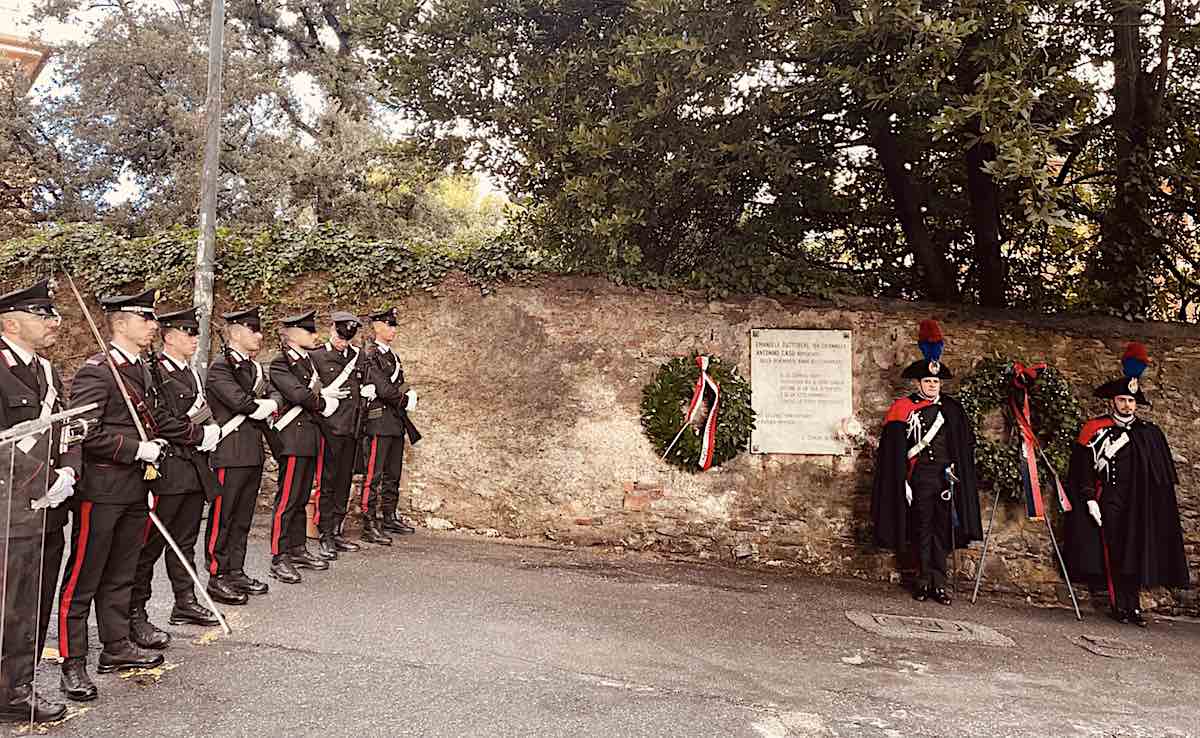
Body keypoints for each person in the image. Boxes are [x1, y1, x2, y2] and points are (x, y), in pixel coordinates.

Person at [60, 288, 219, 701]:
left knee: (122, 571)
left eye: (153, 319)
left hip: (136, 486)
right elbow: (84, 432)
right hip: (103, 487)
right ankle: (72, 662)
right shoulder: (98, 370)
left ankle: (115, 647)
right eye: (145, 319)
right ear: (120, 323)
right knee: (84, 576)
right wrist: (135, 448)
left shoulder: (142, 370)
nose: (153, 326)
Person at [1064, 342, 1190, 627]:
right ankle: (1119, 604)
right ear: (1113, 401)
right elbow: (1082, 469)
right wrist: (1089, 499)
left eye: (1132, 401)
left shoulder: (1149, 433)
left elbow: (1160, 476)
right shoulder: (1095, 429)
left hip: (1138, 502)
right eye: (1122, 400)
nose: (1127, 405)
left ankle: (1134, 607)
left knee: (1136, 553)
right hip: (1110, 499)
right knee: (1114, 553)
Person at [0, 280, 79, 722]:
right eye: (43, 315)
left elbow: (67, 429)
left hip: (48, 509)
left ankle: (16, 686)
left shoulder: (47, 371)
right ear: (11, 322)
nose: (55, 323)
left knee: (34, 603)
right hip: (7, 512)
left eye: (53, 314)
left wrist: (68, 470)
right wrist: (39, 480)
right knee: (6, 604)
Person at [129, 307, 222, 651]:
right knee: (150, 544)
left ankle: (184, 600)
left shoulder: (193, 374)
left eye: (196, 333)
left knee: (185, 539)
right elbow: (159, 420)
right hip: (168, 467)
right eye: (188, 333)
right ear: (169, 337)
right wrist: (199, 435)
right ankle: (136, 611)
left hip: (193, 468)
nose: (195, 339)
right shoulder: (156, 372)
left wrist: (208, 432)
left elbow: (203, 410)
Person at [870, 319, 982, 605]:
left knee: (942, 531)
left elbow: (964, 446)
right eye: (928, 381)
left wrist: (957, 470)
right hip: (918, 477)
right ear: (918, 383)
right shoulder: (903, 409)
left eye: (936, 382)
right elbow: (894, 451)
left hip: (945, 478)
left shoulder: (952, 410)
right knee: (921, 528)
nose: (932, 386)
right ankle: (921, 581)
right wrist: (903, 481)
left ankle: (939, 583)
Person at [265, 310, 345, 583]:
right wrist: (323, 402)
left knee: (300, 498)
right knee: (287, 500)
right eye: (309, 332)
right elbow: (298, 395)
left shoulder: (308, 362)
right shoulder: (280, 363)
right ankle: (279, 555)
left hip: (310, 438)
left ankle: (297, 547)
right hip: (292, 438)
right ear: (293, 334)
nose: (315, 336)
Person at [204, 307, 275, 601]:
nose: (259, 335)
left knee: (243, 517)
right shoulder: (220, 367)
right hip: (229, 452)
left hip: (251, 452)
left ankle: (236, 570)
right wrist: (262, 405)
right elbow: (238, 401)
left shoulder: (255, 368)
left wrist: (269, 404)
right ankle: (217, 574)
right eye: (253, 329)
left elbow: (275, 393)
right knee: (223, 516)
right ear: (235, 331)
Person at [360, 307, 421, 545]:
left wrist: (409, 395)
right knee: (372, 476)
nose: (393, 329)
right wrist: (406, 399)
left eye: (394, 325)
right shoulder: (370, 355)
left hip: (395, 422)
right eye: (389, 324)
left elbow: (399, 385)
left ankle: (388, 516)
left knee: (393, 474)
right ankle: (369, 523)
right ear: (377, 326)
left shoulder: (393, 356)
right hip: (378, 422)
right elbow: (384, 389)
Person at [309, 312, 366, 560]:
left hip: (352, 428)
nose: (343, 342)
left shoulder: (358, 356)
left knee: (344, 482)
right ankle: (324, 534)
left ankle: (337, 529)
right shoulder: (317, 356)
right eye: (340, 336)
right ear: (332, 329)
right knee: (328, 482)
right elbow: (311, 391)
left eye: (347, 338)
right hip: (329, 429)